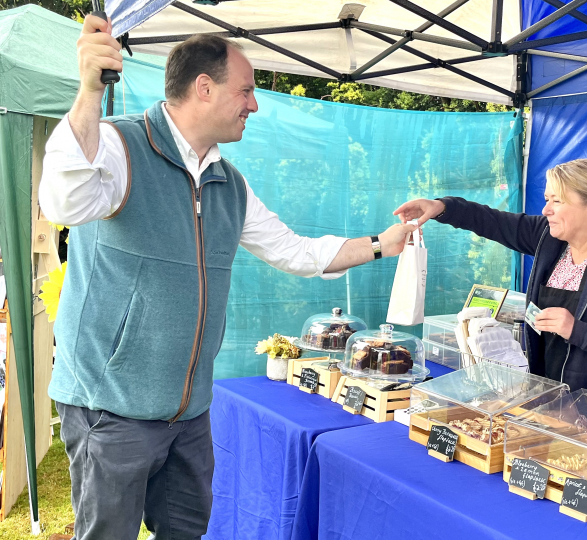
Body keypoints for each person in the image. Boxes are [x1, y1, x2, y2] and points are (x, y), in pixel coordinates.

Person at [39, 16, 416, 540]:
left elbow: (295, 252)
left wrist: (381, 244)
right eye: (246, 90)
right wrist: (87, 92)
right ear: (203, 87)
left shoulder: (228, 183)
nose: (254, 104)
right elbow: (64, 199)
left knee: (187, 531)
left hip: (190, 412)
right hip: (111, 408)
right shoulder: (116, 146)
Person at [395, 158, 587, 404]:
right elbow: (495, 222)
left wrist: (577, 330)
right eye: (547, 199)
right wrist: (443, 208)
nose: (546, 210)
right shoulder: (550, 238)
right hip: (553, 400)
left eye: (557, 201)